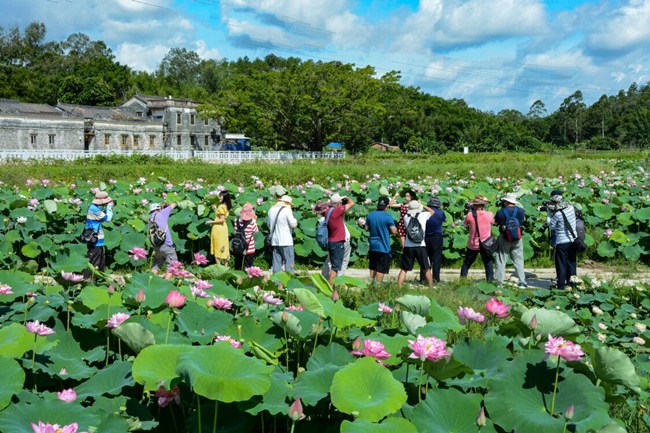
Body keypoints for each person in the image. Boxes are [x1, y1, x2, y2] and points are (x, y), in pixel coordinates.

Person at [397, 200, 434, 287]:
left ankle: (398, 286)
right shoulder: (423, 215)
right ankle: (431, 287)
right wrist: (423, 205)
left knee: (404, 268)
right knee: (426, 267)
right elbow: (432, 212)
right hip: (420, 245)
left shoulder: (406, 217)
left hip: (408, 245)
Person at [546, 189, 578, 289]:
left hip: (562, 242)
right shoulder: (571, 208)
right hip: (573, 240)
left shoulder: (557, 215)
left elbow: (551, 226)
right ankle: (572, 284)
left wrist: (548, 212)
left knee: (561, 265)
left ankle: (561, 286)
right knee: (571, 262)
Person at [494, 193, 527, 288]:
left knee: (501, 260)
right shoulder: (521, 211)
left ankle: (499, 282)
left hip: (504, 238)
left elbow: (496, 223)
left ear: (506, 201)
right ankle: (522, 281)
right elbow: (522, 222)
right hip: (517, 238)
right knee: (518, 260)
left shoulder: (500, 211)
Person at [460, 196, 494, 282]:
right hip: (486, 244)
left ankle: (462, 280)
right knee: (488, 263)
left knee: (467, 263)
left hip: (473, 244)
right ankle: (490, 281)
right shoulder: (489, 214)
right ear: (483, 205)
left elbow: (464, 225)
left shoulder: (469, 215)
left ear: (474, 205)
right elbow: (492, 223)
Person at [82, 191, 115, 280]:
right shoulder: (94, 209)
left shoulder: (93, 206)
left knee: (100, 261)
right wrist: (109, 208)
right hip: (95, 239)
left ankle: (99, 279)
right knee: (94, 261)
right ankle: (87, 279)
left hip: (96, 238)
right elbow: (107, 219)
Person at [365, 196, 397, 282]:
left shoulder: (370, 215)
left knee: (373, 265)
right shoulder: (388, 217)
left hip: (372, 244)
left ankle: (371, 282)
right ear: (387, 206)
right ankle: (378, 285)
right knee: (381, 267)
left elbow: (366, 228)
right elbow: (394, 231)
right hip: (383, 245)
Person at [325, 193, 355, 284]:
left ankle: (331, 286)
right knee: (335, 268)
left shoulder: (327, 211)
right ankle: (331, 288)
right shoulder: (337, 211)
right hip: (338, 242)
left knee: (333, 264)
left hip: (331, 241)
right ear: (338, 204)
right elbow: (352, 203)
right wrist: (347, 198)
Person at [267, 195, 298, 274]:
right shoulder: (287, 210)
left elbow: (268, 224)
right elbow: (293, 224)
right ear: (288, 203)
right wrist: (295, 220)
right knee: (289, 262)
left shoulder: (271, 210)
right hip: (286, 240)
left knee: (276, 263)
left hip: (274, 240)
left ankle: (276, 283)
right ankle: (289, 282)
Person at [150, 202, 178, 280]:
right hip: (165, 243)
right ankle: (166, 282)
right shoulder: (162, 213)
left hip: (156, 245)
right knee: (173, 263)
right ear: (158, 209)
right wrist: (165, 204)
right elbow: (174, 204)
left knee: (157, 263)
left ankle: (150, 280)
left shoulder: (150, 218)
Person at [424, 197, 446, 283]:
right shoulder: (441, 213)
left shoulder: (424, 212)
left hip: (425, 237)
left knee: (425, 259)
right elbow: (445, 220)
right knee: (436, 259)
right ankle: (436, 278)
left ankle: (424, 278)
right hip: (437, 237)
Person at [207, 190, 232, 266]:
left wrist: (210, 222)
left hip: (218, 229)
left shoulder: (221, 206)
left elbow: (221, 220)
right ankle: (225, 267)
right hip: (223, 228)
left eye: (221, 196)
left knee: (218, 247)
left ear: (225, 197)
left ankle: (219, 267)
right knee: (224, 247)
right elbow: (221, 216)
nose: (219, 197)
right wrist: (215, 209)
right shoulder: (226, 206)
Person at [232, 203, 258, 270]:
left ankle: (237, 279)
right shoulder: (252, 223)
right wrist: (255, 220)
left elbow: (235, 231)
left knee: (238, 266)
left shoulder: (236, 221)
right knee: (248, 267)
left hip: (238, 246)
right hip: (249, 247)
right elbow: (256, 231)